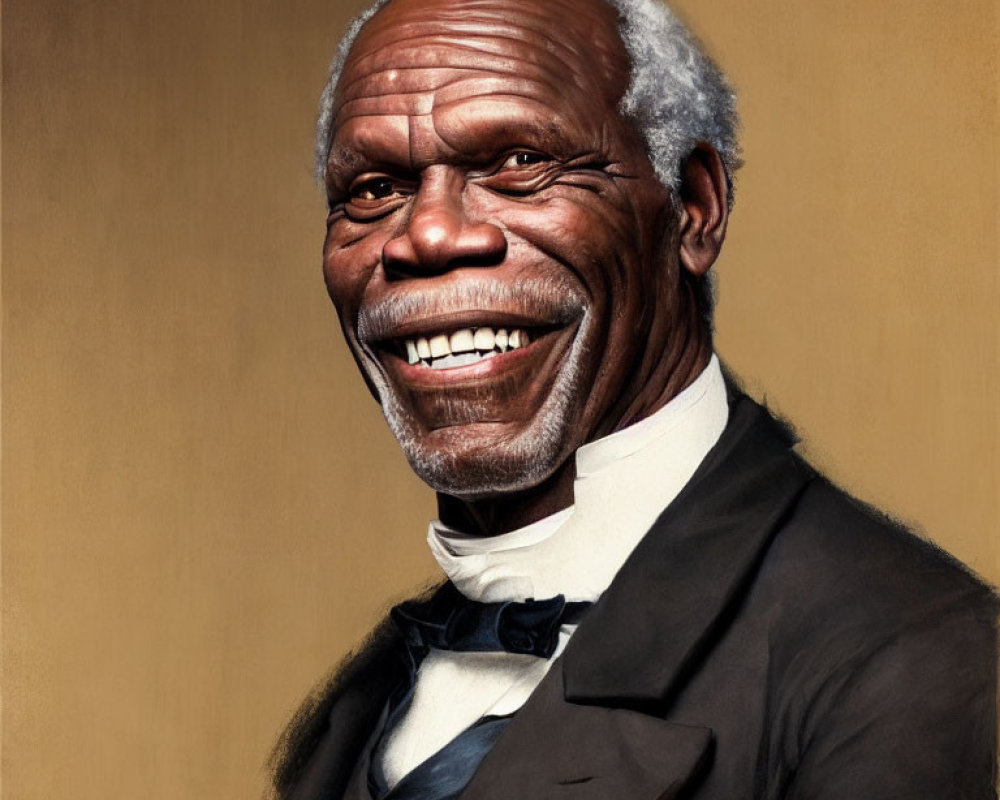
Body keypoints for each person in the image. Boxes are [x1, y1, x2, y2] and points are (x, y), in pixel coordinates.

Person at [270, 0, 997, 797]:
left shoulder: (915, 661)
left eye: (520, 162)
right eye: (373, 189)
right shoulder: (354, 711)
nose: (429, 236)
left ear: (693, 206)